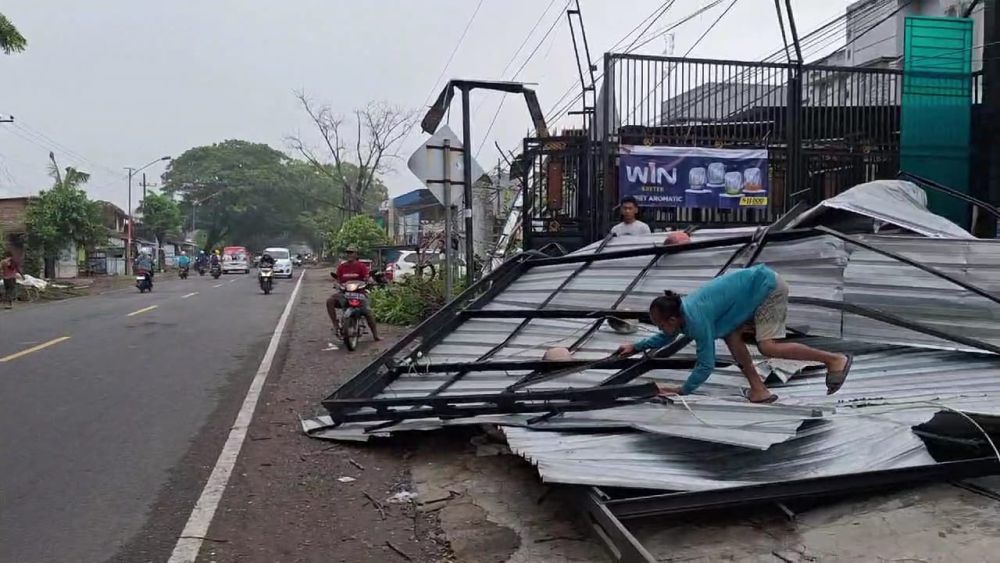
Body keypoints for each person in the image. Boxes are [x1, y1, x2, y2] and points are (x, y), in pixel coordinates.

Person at [616, 264, 853, 403]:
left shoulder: (696, 320)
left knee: (768, 347)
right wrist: (635, 347)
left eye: (660, 324)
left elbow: (706, 364)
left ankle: (834, 360)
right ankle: (759, 390)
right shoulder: (682, 314)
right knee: (731, 336)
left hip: (767, 286)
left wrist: (682, 390)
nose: (659, 329)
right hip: (748, 291)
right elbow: (666, 336)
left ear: (673, 319)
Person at [326, 245, 380, 341]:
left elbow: (367, 277)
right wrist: (337, 284)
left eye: (351, 252)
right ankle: (335, 324)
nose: (349, 254)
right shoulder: (342, 267)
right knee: (330, 301)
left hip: (359, 293)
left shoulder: (361, 266)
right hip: (345, 294)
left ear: (356, 254)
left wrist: (370, 281)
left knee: (368, 312)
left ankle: (375, 335)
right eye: (348, 252)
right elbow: (337, 279)